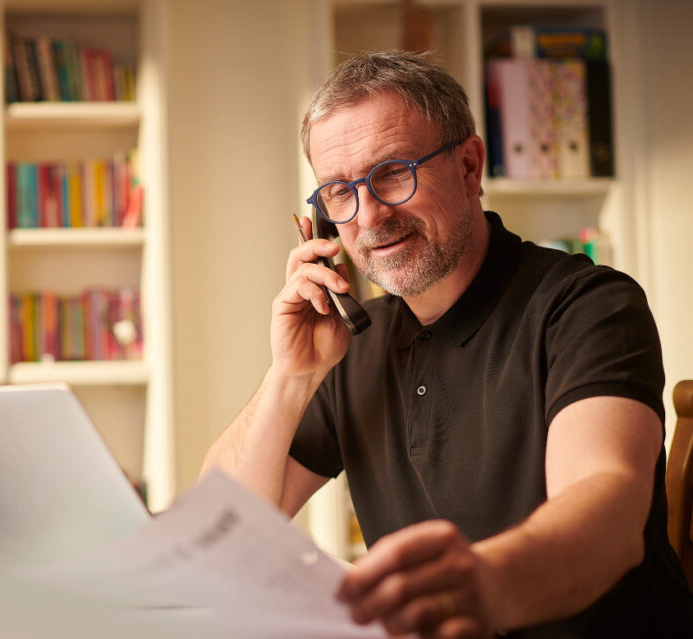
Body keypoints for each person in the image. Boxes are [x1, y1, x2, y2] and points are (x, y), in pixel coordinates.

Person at [201, 50, 693, 638]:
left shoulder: (585, 306)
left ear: (469, 166)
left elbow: (608, 512)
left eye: (392, 173)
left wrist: (483, 586)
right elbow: (218, 526)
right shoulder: (352, 342)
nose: (369, 217)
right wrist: (291, 376)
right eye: (339, 191)